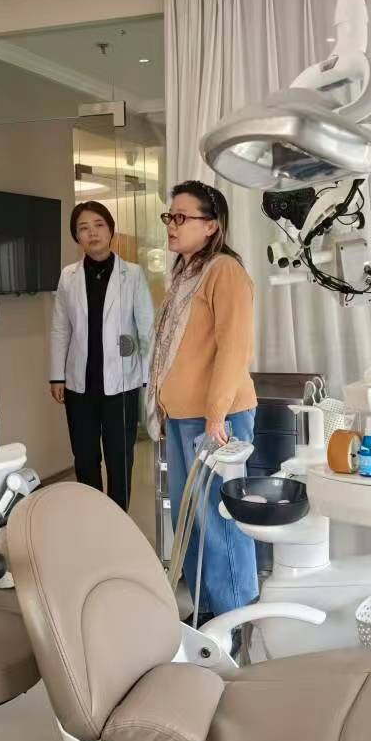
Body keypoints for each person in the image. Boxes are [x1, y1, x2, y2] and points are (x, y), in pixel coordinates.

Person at [147, 181, 258, 621]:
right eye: (169, 217)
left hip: (216, 419)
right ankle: (207, 615)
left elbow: (234, 348)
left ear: (211, 226)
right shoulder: (185, 274)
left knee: (219, 522)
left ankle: (235, 618)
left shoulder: (224, 271)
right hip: (183, 418)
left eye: (182, 217)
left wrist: (216, 417)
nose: (171, 225)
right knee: (189, 521)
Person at [49, 201, 154, 511]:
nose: (92, 233)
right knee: (85, 458)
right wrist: (57, 375)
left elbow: (146, 328)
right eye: (83, 228)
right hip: (79, 384)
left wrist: (148, 378)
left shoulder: (132, 274)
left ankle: (118, 520)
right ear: (76, 236)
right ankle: (92, 518)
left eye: (98, 225)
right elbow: (60, 328)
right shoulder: (68, 276)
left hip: (122, 384)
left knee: (120, 458)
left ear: (110, 231)